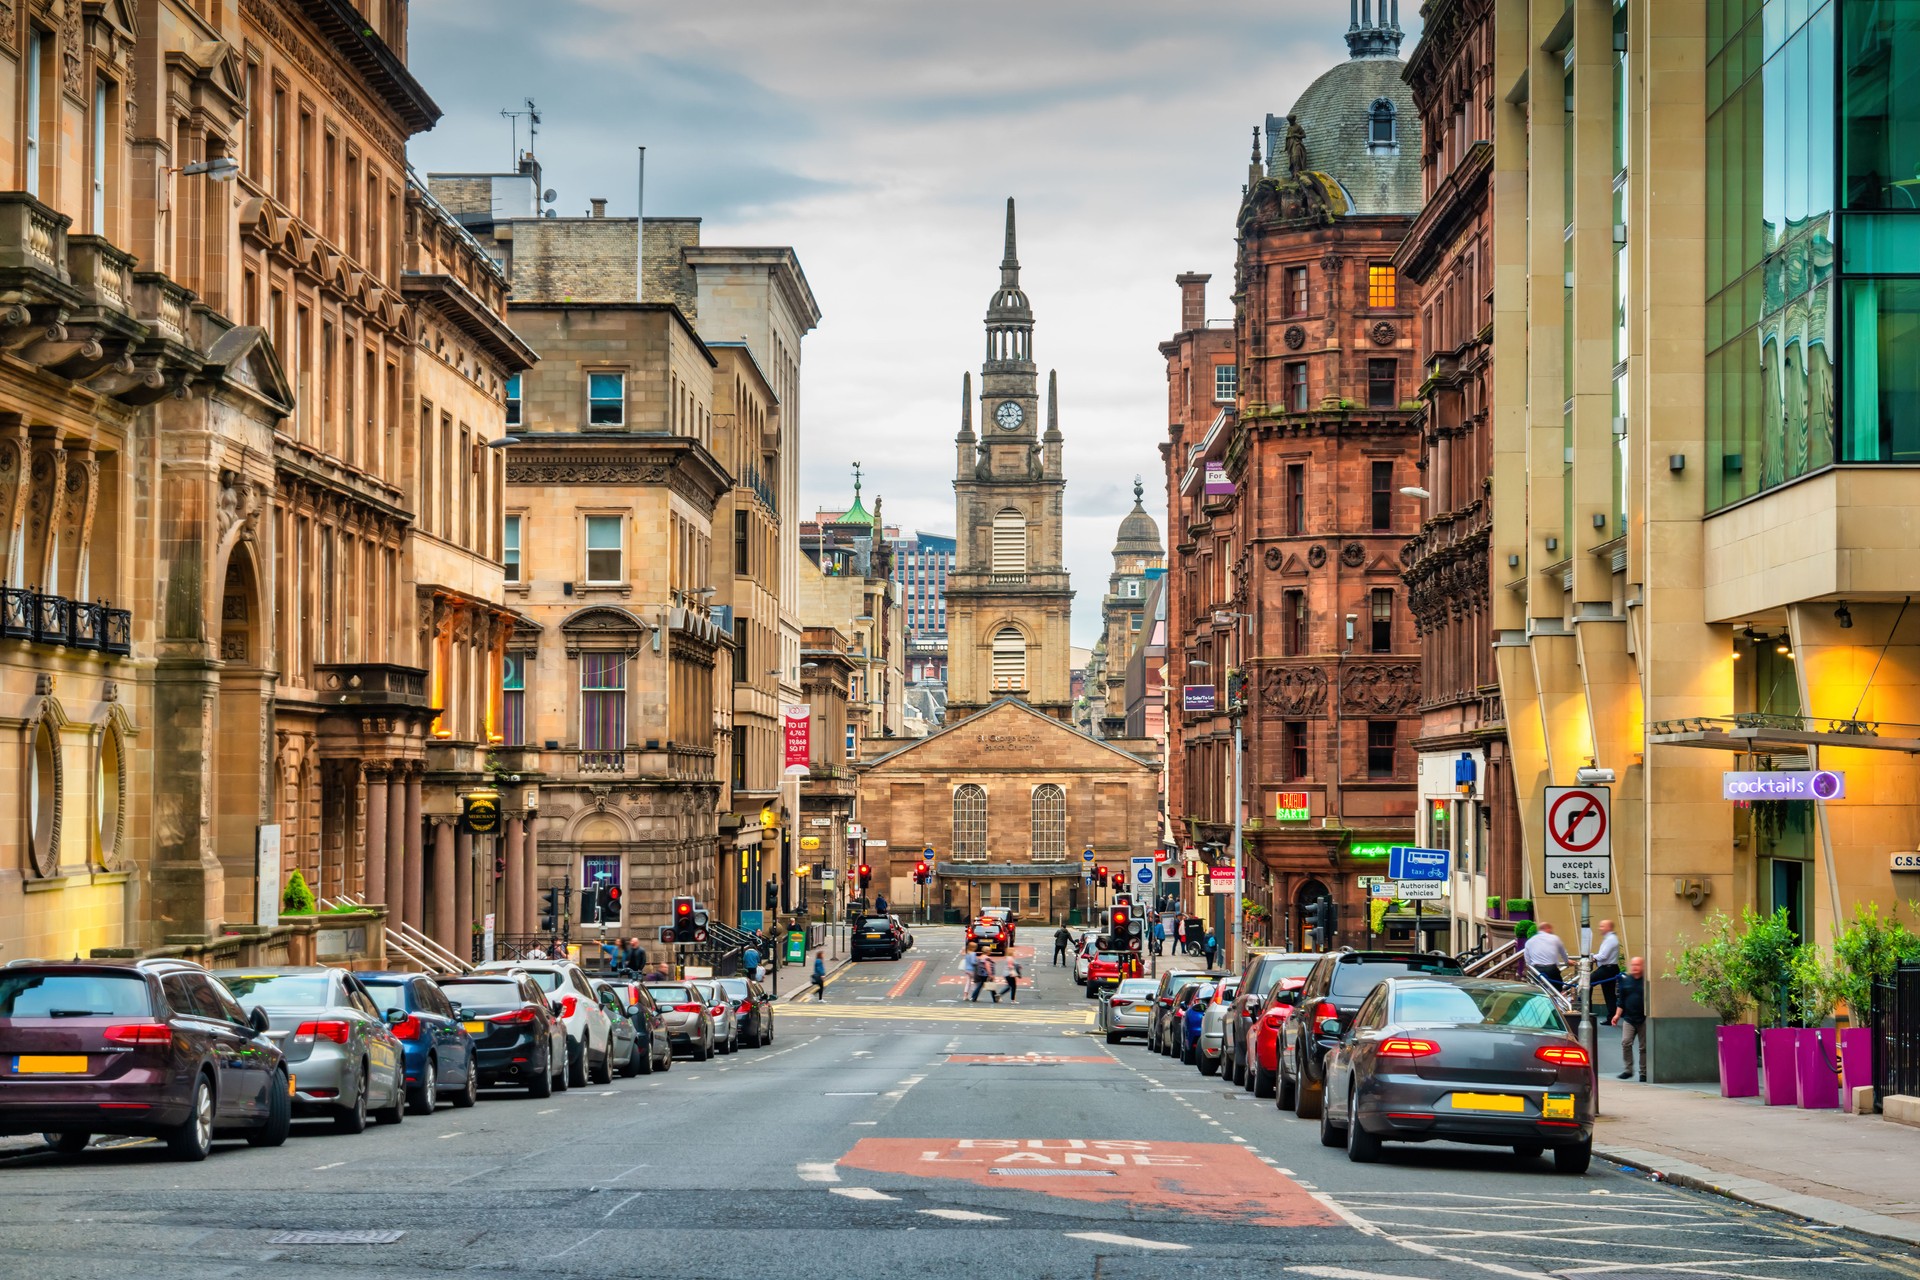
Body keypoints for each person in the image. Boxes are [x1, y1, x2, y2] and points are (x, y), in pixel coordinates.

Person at [1611, 955, 1648, 1080]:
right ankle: (1628, 1070)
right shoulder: (1626, 981)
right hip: (1629, 1018)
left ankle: (1643, 1072)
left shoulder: (1646, 982)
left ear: (1642, 966)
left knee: (1644, 1047)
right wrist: (1617, 1015)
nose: (1635, 967)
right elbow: (1621, 1000)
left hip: (1644, 1019)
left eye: (1637, 965)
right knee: (1626, 1042)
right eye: (1633, 965)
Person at [1523, 922, 1570, 989]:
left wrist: (1532, 967)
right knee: (1557, 988)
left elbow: (1527, 960)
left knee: (1538, 988)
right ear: (1547, 929)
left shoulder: (1530, 941)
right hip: (1551, 969)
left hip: (1537, 969)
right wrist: (1567, 961)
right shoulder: (1555, 938)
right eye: (1551, 929)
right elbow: (1563, 953)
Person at [1591, 919, 1622, 1022]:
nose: (1599, 928)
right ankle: (1611, 1018)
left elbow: (1603, 956)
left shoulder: (1611, 939)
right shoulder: (1610, 938)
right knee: (1609, 994)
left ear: (1609, 927)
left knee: (1587, 983)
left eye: (1602, 926)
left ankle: (1587, 1013)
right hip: (1610, 969)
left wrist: (1592, 957)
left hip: (1607, 969)